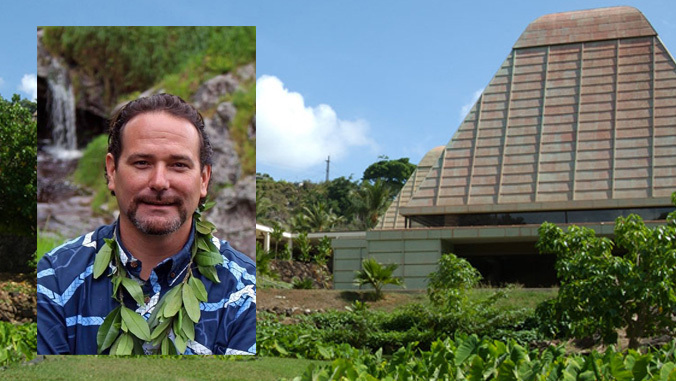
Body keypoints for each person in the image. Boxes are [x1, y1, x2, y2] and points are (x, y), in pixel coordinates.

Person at [37, 93, 256, 355]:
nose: (160, 182)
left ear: (204, 180)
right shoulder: (55, 281)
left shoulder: (244, 291)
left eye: (178, 164)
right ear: (112, 171)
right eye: (142, 163)